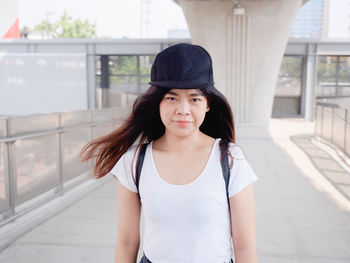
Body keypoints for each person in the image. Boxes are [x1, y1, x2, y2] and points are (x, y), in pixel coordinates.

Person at [80, 43, 258, 263]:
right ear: (158, 103)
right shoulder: (134, 160)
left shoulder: (230, 159)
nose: (183, 110)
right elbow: (127, 241)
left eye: (194, 99)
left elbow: (245, 247)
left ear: (208, 104)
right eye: (171, 98)